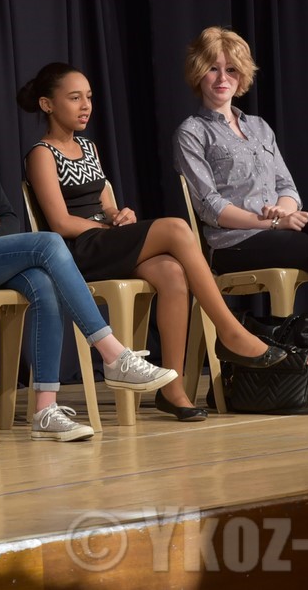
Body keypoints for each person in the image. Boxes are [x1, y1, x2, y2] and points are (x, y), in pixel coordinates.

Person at [0, 48, 176, 442]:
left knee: (43, 281)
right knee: (48, 243)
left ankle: (44, 408)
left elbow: (8, 217)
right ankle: (112, 354)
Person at [20, 63, 290, 423]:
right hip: (74, 253)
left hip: (105, 240)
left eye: (89, 97)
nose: (85, 105)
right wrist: (107, 229)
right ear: (47, 104)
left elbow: (106, 205)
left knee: (172, 273)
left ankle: (172, 388)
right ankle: (229, 330)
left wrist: (120, 215)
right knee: (177, 229)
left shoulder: (88, 147)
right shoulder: (42, 153)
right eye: (74, 98)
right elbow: (61, 222)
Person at [174, 26, 308, 403]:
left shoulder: (259, 127)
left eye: (231, 70)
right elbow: (211, 208)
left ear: (242, 75)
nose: (222, 78)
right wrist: (271, 221)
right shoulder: (192, 133)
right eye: (213, 69)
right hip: (234, 244)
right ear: (199, 73)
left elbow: (287, 187)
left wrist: (284, 210)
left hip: (279, 229)